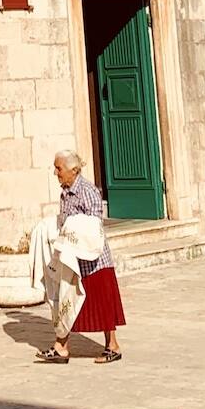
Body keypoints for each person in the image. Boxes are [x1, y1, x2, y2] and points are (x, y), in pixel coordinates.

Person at [36, 150, 125, 363]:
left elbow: (94, 224)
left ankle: (112, 346)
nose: (56, 173)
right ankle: (61, 346)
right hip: (72, 260)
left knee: (102, 303)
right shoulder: (65, 192)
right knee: (68, 300)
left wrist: (70, 226)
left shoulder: (88, 191)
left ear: (73, 170)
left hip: (94, 261)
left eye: (59, 168)